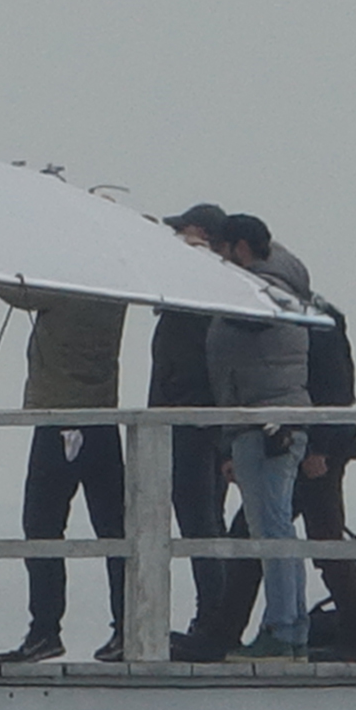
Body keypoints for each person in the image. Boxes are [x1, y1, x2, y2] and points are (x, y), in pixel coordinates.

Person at [0, 285, 128, 664]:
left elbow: (10, 289)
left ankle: (45, 631)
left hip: (61, 418)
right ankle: (127, 626)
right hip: (102, 416)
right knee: (115, 532)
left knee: (41, 527)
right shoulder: (115, 286)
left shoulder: (68, 281)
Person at [206, 213, 314, 661]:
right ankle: (292, 627)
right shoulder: (283, 279)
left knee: (271, 530)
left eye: (220, 250)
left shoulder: (260, 291)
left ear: (241, 249)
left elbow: (250, 322)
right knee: (277, 527)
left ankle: (283, 630)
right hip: (270, 420)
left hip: (265, 424)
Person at [150, 203, 234, 658]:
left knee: (200, 518)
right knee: (203, 519)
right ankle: (213, 616)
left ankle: (213, 619)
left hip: (192, 420)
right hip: (192, 418)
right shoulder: (198, 292)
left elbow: (193, 364)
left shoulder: (200, 293)